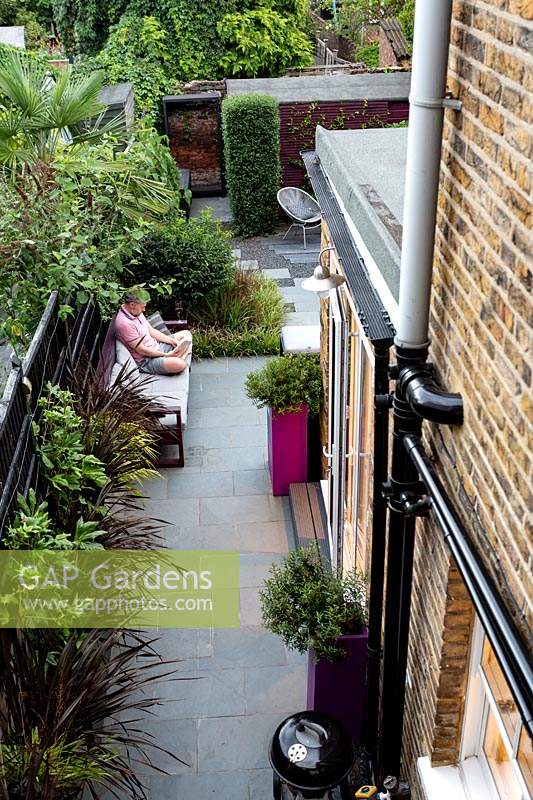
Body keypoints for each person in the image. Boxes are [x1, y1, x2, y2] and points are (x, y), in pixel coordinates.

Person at [115, 287, 192, 375]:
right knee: (180, 365)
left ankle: (177, 356)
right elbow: (141, 350)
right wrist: (165, 355)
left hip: (156, 346)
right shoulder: (124, 323)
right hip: (146, 360)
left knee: (187, 334)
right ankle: (179, 357)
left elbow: (151, 331)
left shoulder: (135, 312)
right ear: (132, 304)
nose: (144, 310)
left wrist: (171, 341)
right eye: (142, 307)